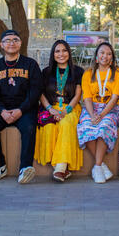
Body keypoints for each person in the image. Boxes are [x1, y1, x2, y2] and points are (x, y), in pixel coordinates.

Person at [0, 29, 42, 184]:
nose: (11, 43)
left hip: (25, 109)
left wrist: (21, 110)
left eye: (15, 40)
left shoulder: (31, 65)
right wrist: (1, 111)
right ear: (1, 44)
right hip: (2, 110)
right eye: (7, 40)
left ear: (20, 43)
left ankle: (25, 168)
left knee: (29, 128)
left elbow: (35, 91)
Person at [35, 40, 84, 182]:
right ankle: (62, 168)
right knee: (49, 127)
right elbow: (41, 93)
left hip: (71, 107)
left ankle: (61, 168)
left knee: (67, 124)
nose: (61, 54)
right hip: (51, 107)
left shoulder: (78, 71)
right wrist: (50, 109)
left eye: (64, 50)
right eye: (57, 51)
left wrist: (65, 111)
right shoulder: (46, 72)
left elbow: (78, 95)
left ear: (69, 52)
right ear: (53, 54)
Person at [77, 42, 119, 183]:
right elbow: (87, 97)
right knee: (86, 127)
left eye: (109, 54)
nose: (105, 56)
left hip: (110, 109)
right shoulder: (88, 73)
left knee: (103, 127)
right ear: (97, 56)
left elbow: (115, 98)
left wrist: (102, 115)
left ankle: (96, 166)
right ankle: (101, 165)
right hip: (91, 109)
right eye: (102, 53)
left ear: (112, 57)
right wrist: (92, 115)